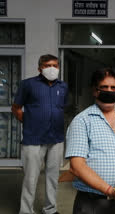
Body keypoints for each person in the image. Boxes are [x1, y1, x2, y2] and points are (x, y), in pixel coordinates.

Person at [65, 68, 115, 214]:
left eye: (113, 88)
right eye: (104, 87)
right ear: (95, 91)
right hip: (91, 203)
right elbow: (76, 166)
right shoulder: (82, 121)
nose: (109, 91)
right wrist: (109, 191)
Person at [12, 54, 68, 214]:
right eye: (48, 65)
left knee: (53, 177)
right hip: (33, 139)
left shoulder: (62, 86)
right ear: (39, 68)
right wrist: (29, 121)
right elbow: (16, 107)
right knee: (30, 178)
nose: (52, 68)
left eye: (55, 65)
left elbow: (61, 108)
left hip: (56, 139)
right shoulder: (28, 84)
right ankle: (26, 210)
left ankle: (50, 209)